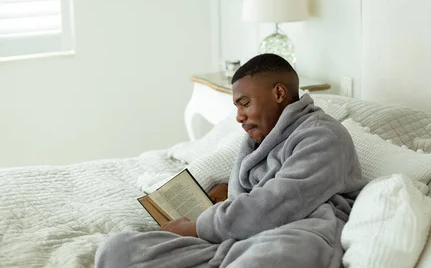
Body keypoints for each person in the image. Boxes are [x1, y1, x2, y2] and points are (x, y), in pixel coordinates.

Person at [95, 53, 365, 268]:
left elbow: (277, 203)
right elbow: (245, 198)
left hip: (296, 233)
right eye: (236, 107)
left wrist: (197, 227)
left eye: (244, 103)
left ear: (279, 94)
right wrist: (222, 204)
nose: (238, 116)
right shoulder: (256, 141)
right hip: (235, 239)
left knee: (266, 260)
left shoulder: (322, 136)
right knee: (119, 249)